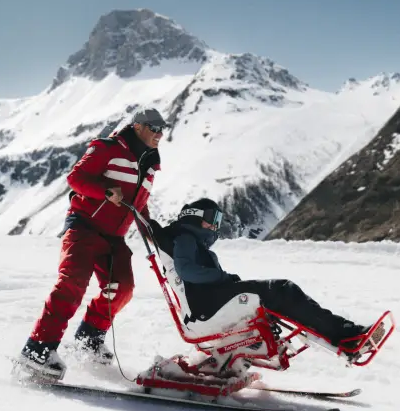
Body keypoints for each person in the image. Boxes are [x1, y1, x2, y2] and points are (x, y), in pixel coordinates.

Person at [19, 107, 167, 377]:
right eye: (155, 128)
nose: (160, 133)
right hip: (84, 227)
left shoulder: (150, 164)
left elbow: (138, 205)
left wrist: (153, 233)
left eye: (163, 129)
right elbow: (75, 179)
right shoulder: (107, 148)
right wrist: (105, 191)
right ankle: (37, 349)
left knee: (122, 289)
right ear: (138, 127)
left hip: (115, 237)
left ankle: (89, 340)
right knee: (72, 283)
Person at [163, 198, 369, 352]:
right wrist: (223, 278)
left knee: (281, 297)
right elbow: (187, 271)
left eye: (218, 220)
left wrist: (225, 280)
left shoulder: (190, 241)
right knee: (281, 291)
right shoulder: (185, 237)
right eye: (211, 218)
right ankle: (345, 335)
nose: (215, 225)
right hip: (208, 309)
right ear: (193, 216)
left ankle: (342, 334)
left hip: (211, 303)